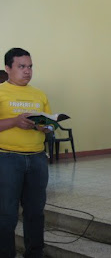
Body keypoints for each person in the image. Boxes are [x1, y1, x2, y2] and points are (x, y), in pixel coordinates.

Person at [0, 48, 52, 258]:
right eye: (21, 66)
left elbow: (49, 125)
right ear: (8, 68)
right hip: (7, 159)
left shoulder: (39, 94)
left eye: (30, 66)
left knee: (35, 211)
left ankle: (35, 252)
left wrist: (45, 127)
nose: (27, 71)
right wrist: (14, 121)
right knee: (6, 213)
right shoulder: (1, 92)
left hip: (37, 159)